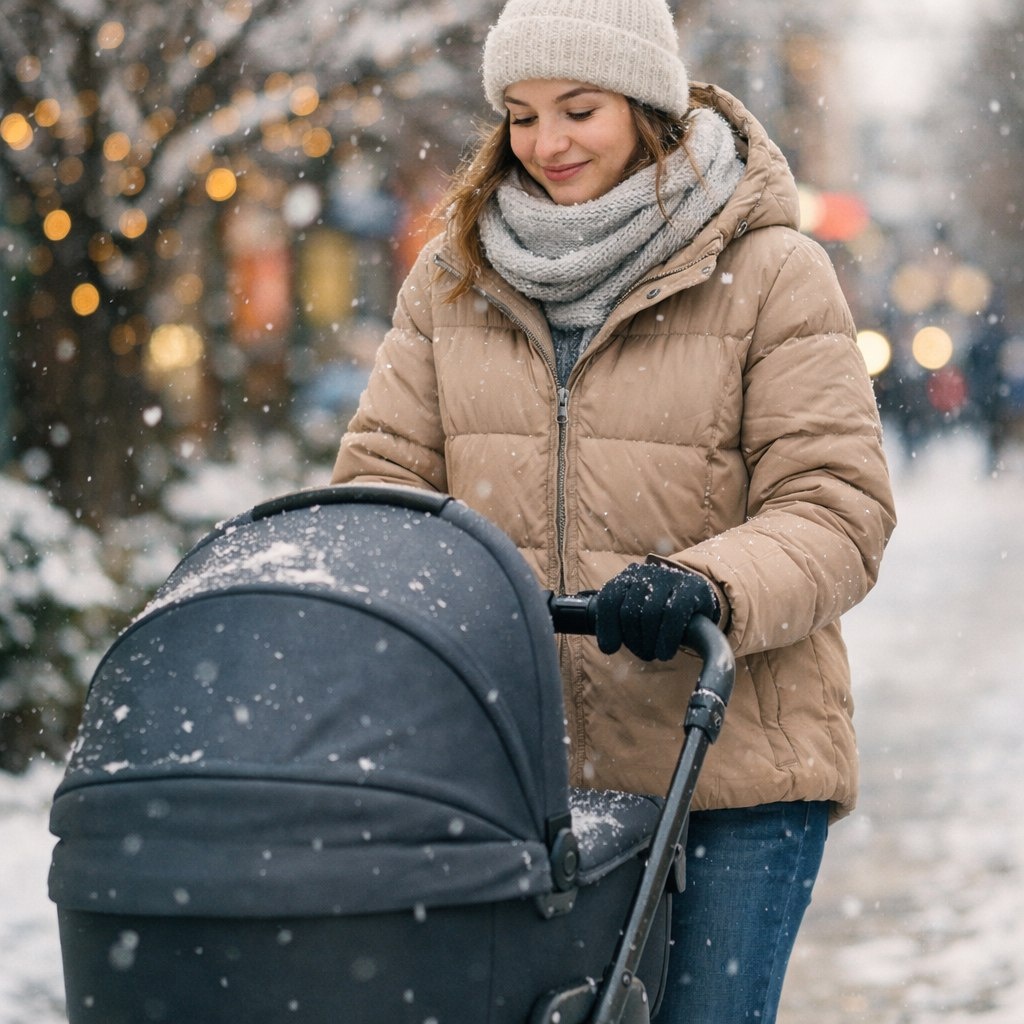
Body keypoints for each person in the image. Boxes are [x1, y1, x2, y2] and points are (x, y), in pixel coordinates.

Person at [331, 0, 896, 1020]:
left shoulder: (770, 270)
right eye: (520, 114)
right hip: (521, 781)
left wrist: (705, 583)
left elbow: (836, 505)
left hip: (726, 770)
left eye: (578, 109)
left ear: (646, 105)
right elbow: (382, 487)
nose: (545, 143)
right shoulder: (452, 277)